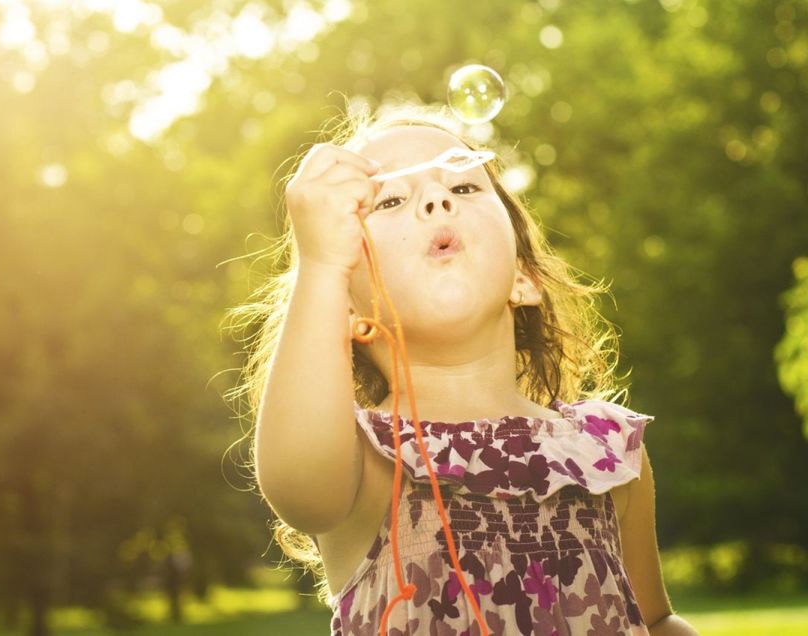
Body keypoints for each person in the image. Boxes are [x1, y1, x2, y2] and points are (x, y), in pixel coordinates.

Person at [228, 101, 700, 635]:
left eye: (465, 187)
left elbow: (656, 620)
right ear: (347, 306)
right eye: (391, 200)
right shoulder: (362, 457)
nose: (436, 199)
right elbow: (299, 490)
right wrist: (318, 265)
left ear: (524, 277)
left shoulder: (606, 452)